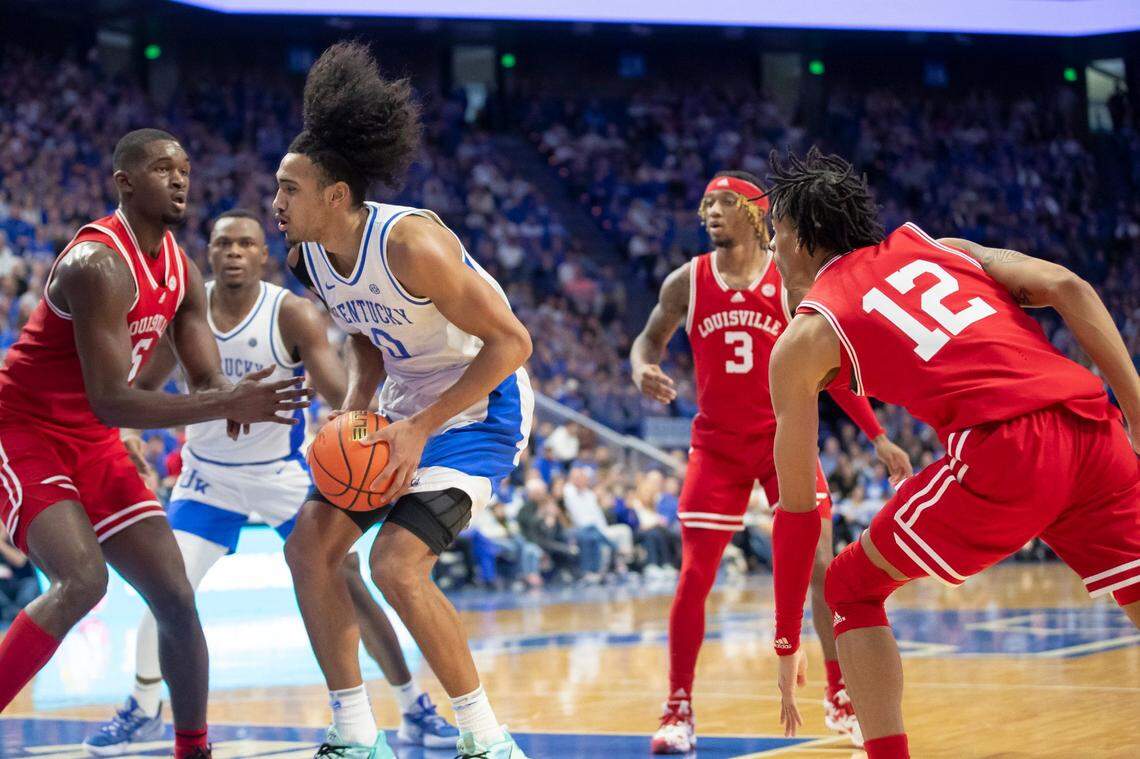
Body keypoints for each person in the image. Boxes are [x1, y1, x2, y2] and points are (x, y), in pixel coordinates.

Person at [765, 148, 1140, 759]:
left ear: (803, 238)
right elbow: (1067, 286)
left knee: (850, 588)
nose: (772, 253)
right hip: (1093, 425)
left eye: (776, 237)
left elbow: (799, 511)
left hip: (1007, 448)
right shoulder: (942, 245)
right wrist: (1137, 412)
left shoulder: (805, 338)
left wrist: (787, 641)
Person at [83, 210, 456, 755]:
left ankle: (412, 705)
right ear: (208, 252)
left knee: (348, 580)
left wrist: (350, 418)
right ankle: (143, 707)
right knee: (166, 587)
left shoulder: (293, 314)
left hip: (280, 475)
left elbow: (337, 389)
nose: (234, 252)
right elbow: (144, 384)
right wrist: (129, 431)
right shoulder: (188, 308)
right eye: (223, 243)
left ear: (263, 255)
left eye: (246, 244)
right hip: (208, 477)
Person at [0, 129, 310, 759]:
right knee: (83, 581)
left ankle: (192, 749)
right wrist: (223, 403)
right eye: (162, 168)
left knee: (175, 594)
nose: (179, 180)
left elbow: (201, 376)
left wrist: (236, 394)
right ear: (125, 182)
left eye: (185, 169)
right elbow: (112, 399)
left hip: (92, 437)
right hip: (23, 427)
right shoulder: (98, 265)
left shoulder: (181, 271)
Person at [275, 43, 533, 758]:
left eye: (289, 189)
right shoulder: (307, 255)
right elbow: (363, 337)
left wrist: (419, 426)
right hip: (402, 402)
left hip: (481, 408)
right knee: (309, 548)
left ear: (335, 195)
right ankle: (356, 734)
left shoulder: (411, 243)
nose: (277, 202)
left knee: (395, 564)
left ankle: (486, 738)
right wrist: (357, 405)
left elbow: (512, 343)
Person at [630, 170, 912, 754]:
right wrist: (641, 367)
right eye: (706, 201)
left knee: (823, 568)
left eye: (725, 201)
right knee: (693, 578)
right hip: (716, 447)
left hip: (782, 441)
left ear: (757, 213)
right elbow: (647, 339)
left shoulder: (787, 286)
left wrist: (878, 435)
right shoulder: (687, 281)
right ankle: (677, 709)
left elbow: (825, 368)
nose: (710, 210)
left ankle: (839, 696)